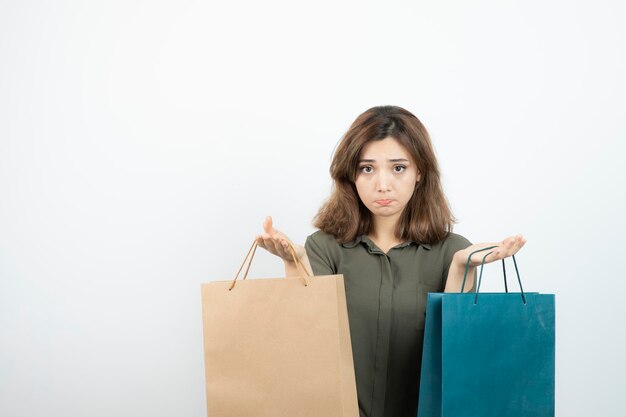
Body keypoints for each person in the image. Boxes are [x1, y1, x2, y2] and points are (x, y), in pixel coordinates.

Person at [254, 105, 526, 417]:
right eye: (367, 169)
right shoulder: (324, 247)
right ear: (351, 174)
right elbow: (309, 344)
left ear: (420, 172)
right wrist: (295, 261)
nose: (382, 185)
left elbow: (454, 357)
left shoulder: (451, 251)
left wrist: (463, 265)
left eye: (398, 168)